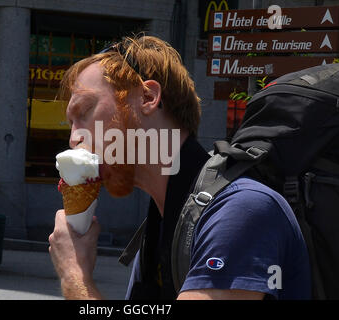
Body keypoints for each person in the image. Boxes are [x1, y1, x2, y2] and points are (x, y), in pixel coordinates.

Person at [48, 35, 311, 300]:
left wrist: (74, 275)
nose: (74, 138)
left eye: (84, 111)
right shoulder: (162, 226)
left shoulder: (240, 210)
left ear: (148, 97)